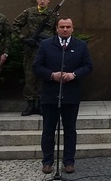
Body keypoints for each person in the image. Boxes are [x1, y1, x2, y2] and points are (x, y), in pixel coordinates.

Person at [33, 17, 93, 175]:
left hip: (71, 94)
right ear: (56, 28)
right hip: (50, 94)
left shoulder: (80, 45)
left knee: (70, 130)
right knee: (48, 130)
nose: (65, 29)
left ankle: (69, 162)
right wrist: (52, 75)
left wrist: (74, 74)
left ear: (73, 28)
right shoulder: (46, 45)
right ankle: (47, 162)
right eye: (62, 27)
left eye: (68, 27)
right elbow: (37, 66)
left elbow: (88, 66)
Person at [12, 0, 59, 116]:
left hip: (47, 51)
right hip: (31, 50)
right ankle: (30, 105)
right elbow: (15, 25)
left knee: (44, 78)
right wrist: (23, 38)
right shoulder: (29, 12)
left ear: (49, 0)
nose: (42, 1)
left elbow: (57, 33)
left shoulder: (53, 14)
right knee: (30, 77)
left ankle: (41, 104)